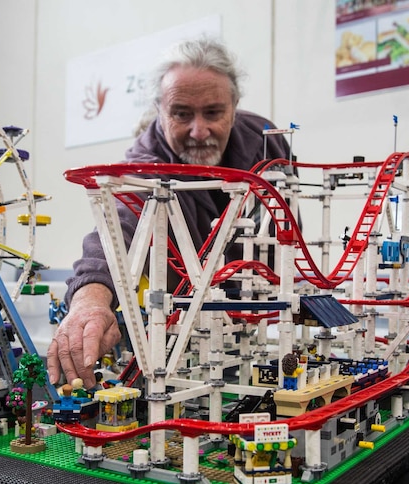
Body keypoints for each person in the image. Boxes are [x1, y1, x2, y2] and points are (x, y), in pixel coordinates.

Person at [47, 38, 292, 389]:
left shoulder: (268, 140)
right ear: (160, 109)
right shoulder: (143, 166)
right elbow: (115, 232)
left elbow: (287, 218)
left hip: (255, 314)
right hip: (185, 329)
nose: (199, 130)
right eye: (181, 114)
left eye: (213, 112)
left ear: (234, 106)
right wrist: (91, 301)